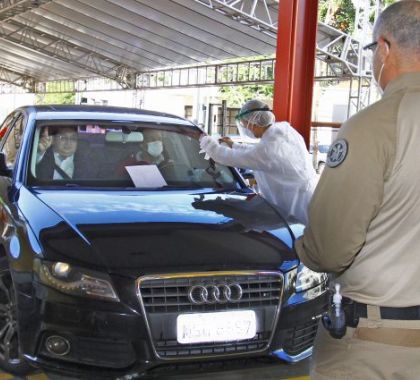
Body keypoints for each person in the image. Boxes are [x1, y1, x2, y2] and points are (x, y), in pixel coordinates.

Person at [294, 2, 420, 379]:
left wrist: (300, 247)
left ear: (384, 48)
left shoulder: (372, 127)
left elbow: (330, 250)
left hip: (379, 344)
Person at [199, 99, 317, 224]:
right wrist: (234, 145)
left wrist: (204, 140)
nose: (245, 128)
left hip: (292, 204)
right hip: (306, 197)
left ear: (253, 123)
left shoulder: (267, 149)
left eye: (245, 124)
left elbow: (227, 157)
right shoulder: (284, 131)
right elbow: (256, 152)